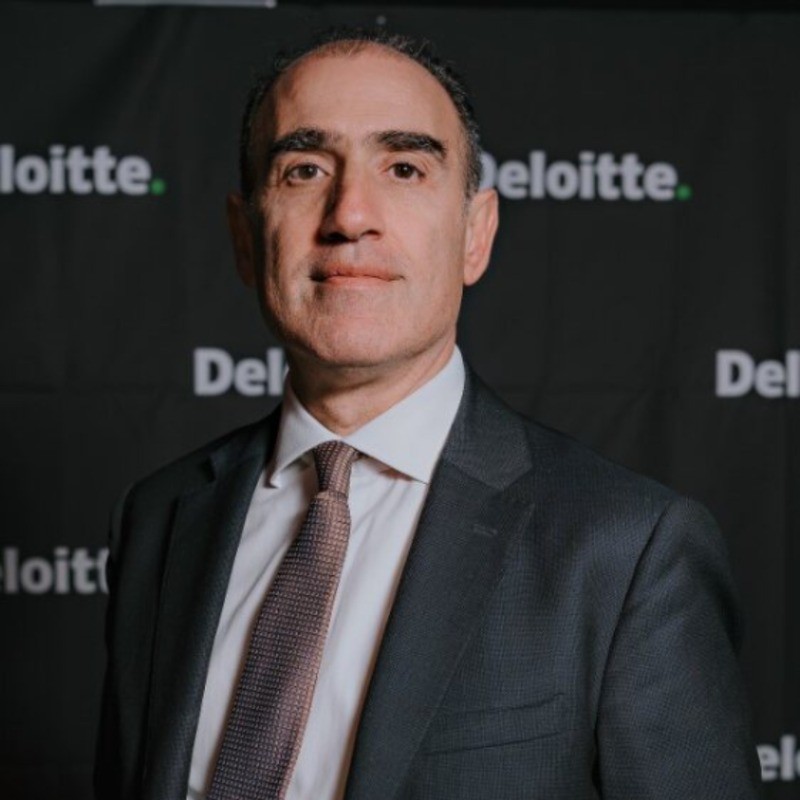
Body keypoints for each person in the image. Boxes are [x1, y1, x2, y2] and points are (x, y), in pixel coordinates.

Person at [95, 27, 762, 800]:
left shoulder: (628, 549)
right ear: (246, 238)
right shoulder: (162, 517)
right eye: (305, 170)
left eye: (405, 168)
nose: (350, 215)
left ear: (476, 234)